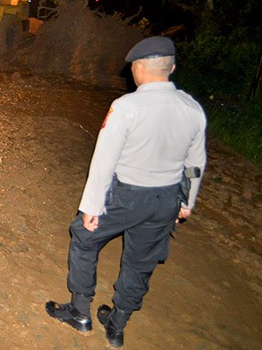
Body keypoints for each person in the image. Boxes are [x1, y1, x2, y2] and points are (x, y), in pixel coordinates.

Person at [45, 36, 207, 347]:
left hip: (126, 196)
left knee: (83, 238)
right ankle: (117, 326)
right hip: (166, 199)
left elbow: (104, 161)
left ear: (138, 68)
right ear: (171, 67)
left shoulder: (126, 107)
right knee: (140, 262)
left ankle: (80, 313)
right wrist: (187, 201)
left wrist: (91, 207)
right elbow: (195, 162)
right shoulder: (193, 109)